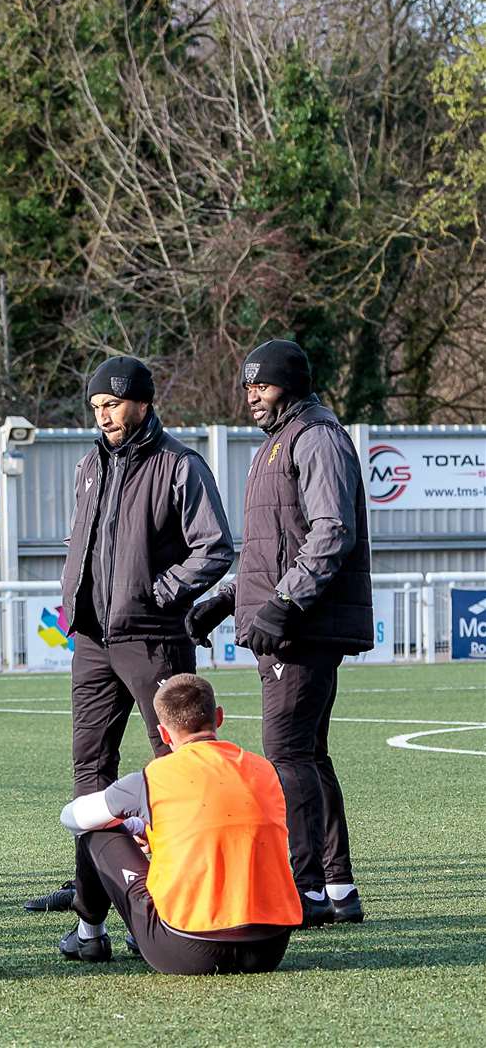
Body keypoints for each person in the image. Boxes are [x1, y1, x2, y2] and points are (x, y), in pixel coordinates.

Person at [32, 357, 235, 932]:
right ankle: (88, 922)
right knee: (89, 773)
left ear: (142, 401)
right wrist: (74, 601)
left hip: (154, 640)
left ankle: (189, 902)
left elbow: (215, 549)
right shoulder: (88, 465)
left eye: (112, 405)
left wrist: (160, 595)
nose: (103, 417)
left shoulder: (180, 465)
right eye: (96, 407)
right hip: (93, 641)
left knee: (179, 770)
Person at [187, 340, 373, 927]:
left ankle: (306, 889)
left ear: (289, 384)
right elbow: (271, 550)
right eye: (247, 388)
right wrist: (223, 599)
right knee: (308, 755)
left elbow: (330, 533)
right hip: (290, 620)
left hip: (304, 626)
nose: (252, 397)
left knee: (288, 753)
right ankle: (337, 888)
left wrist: (285, 604)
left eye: (261, 386)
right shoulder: (278, 442)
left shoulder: (316, 437)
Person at [58, 674, 302, 973]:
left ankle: (89, 935)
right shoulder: (264, 769)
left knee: (95, 829)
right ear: (219, 717)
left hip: (185, 948)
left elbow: (72, 817)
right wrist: (148, 825)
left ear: (163, 733)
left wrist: (132, 823)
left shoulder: (154, 776)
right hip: (270, 946)